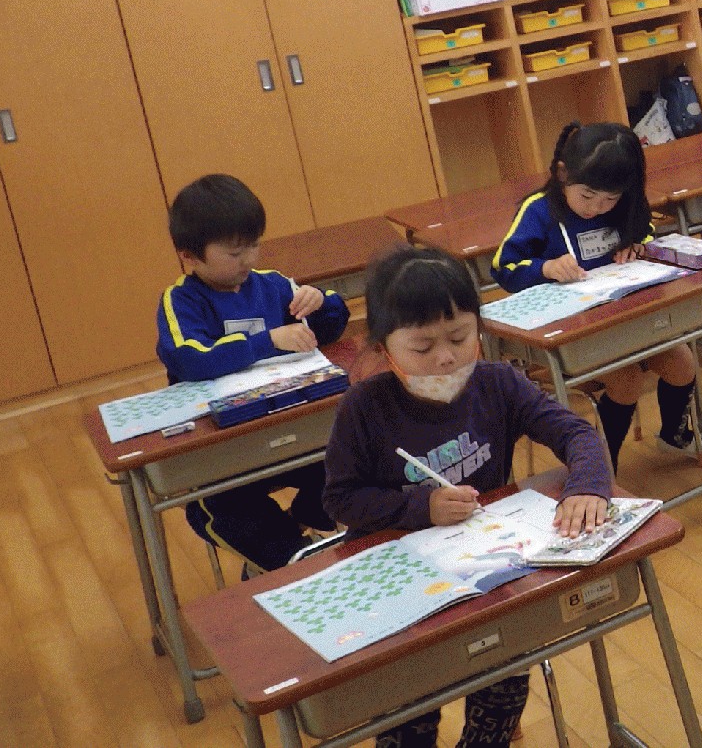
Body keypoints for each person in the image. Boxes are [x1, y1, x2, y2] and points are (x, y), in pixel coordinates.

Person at [324, 246, 612, 748]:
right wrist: (419, 508)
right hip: (400, 579)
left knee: (506, 670)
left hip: (486, 566)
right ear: (383, 347)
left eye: (460, 337)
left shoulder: (498, 384)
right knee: (409, 709)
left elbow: (577, 434)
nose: (446, 357)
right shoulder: (365, 408)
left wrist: (586, 485)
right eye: (422, 347)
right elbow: (341, 499)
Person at [493, 122, 702, 470]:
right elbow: (504, 267)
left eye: (609, 199)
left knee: (682, 364)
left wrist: (636, 246)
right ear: (563, 174)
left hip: (626, 317)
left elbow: (644, 231)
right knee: (627, 379)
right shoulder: (539, 210)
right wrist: (545, 268)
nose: (596, 208)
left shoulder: (624, 204)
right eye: (587, 196)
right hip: (572, 332)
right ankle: (602, 467)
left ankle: (674, 435)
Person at [157, 173, 347, 574]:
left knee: (350, 459)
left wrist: (323, 304)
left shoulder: (273, 285)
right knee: (221, 510)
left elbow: (326, 330)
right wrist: (268, 341)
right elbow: (189, 358)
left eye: (254, 246)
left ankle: (305, 533)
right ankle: (294, 561)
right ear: (189, 256)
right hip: (225, 453)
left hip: (292, 434)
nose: (249, 260)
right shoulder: (181, 301)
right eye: (234, 253)